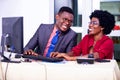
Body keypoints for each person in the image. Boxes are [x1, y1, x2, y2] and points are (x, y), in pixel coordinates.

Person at [51, 10, 115, 60]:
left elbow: (96, 56)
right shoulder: (87, 38)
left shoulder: (108, 41)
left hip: (103, 71)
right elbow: (75, 52)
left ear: (102, 27)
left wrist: (71, 58)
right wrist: (62, 54)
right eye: (90, 22)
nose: (90, 25)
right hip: (86, 70)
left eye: (94, 23)